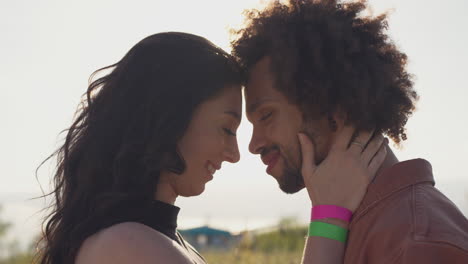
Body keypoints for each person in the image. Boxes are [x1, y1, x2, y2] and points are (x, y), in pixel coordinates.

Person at [37, 31, 385, 264]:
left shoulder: (149, 238)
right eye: (225, 128)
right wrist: (329, 215)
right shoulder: (126, 245)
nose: (234, 154)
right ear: (169, 118)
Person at [231, 0, 468, 263]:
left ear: (333, 109)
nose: (253, 144)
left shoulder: (416, 245)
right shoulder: (365, 223)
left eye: (266, 116)